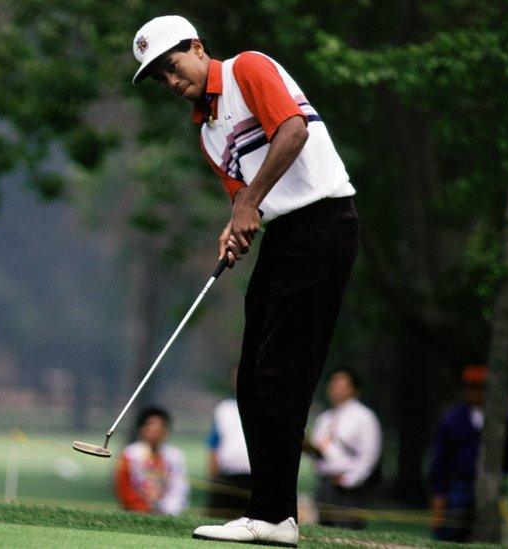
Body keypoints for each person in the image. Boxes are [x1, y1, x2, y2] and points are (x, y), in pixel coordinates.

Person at [131, 15, 360, 546]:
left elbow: (293, 131)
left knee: (283, 374)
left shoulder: (247, 69)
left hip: (324, 224)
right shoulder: (207, 133)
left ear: (196, 45)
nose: (170, 80)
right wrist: (236, 228)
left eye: (171, 65)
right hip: (284, 238)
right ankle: (269, 511)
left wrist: (250, 203)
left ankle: (276, 516)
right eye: (159, 77)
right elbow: (244, 203)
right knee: (252, 380)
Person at [428, 364, 508, 542]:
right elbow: (439, 459)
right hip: (458, 485)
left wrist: (502, 468)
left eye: (480, 388)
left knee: (489, 533)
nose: (474, 393)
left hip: (492, 484)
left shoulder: (505, 418)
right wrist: (439, 492)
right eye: (470, 387)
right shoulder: (453, 419)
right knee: (451, 533)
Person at [304, 368, 382, 530]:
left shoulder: (364, 417)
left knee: (348, 529)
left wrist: (349, 479)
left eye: (341, 385)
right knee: (324, 530)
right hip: (324, 483)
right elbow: (319, 452)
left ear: (354, 389)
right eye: (333, 384)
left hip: (349, 488)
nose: (335, 389)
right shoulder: (325, 418)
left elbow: (369, 455)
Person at [114, 406, 189, 515]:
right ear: (142, 429)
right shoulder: (129, 455)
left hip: (167, 514)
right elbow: (125, 489)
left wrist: (167, 509)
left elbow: (179, 490)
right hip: (136, 513)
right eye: (150, 427)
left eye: (160, 428)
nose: (155, 432)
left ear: (166, 431)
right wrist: (143, 508)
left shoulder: (176, 457)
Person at [206, 368, 252, 519]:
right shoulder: (224, 408)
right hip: (228, 477)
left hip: (256, 478)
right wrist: (213, 478)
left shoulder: (267, 405)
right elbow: (214, 444)